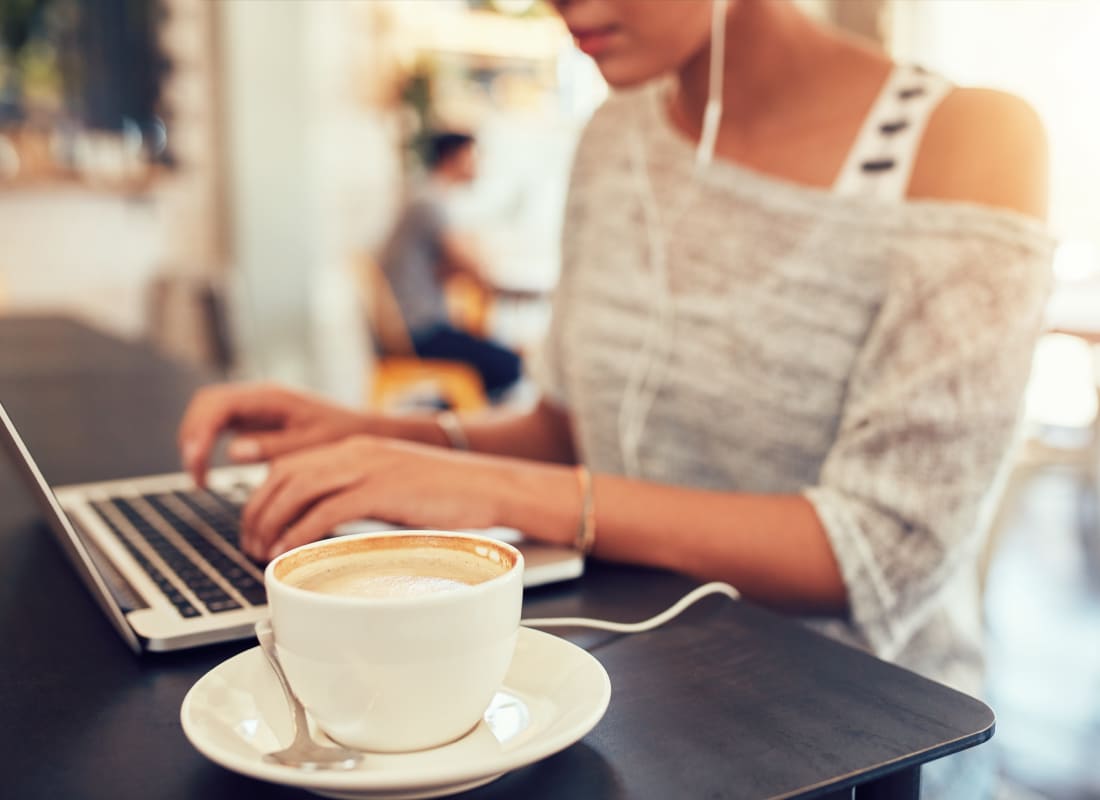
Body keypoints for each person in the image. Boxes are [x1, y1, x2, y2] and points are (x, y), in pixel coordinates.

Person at [179, 2, 1052, 796]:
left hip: (850, 748)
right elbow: (576, 427)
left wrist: (499, 494)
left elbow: (880, 550)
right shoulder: (614, 134)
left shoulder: (965, 141)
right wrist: (376, 438)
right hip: (630, 702)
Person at [377, 130, 522, 398]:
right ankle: (465, 424)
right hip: (420, 331)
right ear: (454, 158)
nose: (479, 164)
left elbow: (450, 264)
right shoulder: (429, 202)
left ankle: (457, 413)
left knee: (494, 350)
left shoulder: (427, 197)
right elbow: (471, 264)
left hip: (417, 324)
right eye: (474, 156)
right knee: (509, 365)